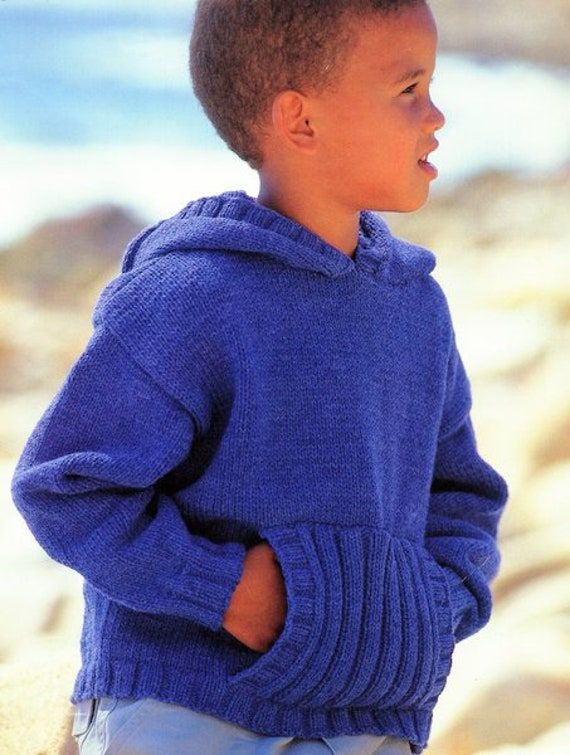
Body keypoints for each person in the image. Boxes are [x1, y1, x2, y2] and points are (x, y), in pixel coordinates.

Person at [10, 1, 510, 753]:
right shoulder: (190, 296)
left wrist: (430, 609)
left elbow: (463, 495)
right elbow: (64, 485)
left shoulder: (415, 307)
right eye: (409, 89)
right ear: (300, 121)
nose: (435, 115)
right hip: (184, 708)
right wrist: (223, 590)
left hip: (373, 719)